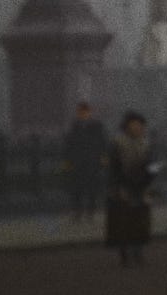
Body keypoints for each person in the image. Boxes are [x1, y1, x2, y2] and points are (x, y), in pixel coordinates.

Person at [105, 110, 156, 268]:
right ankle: (124, 254)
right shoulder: (118, 143)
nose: (137, 128)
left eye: (139, 125)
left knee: (140, 221)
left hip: (141, 186)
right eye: (133, 125)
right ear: (127, 126)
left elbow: (153, 165)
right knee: (123, 221)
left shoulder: (146, 143)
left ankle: (138, 251)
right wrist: (117, 187)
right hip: (123, 186)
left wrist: (149, 182)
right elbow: (113, 168)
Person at [61, 100, 108, 223]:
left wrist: (103, 157)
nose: (82, 114)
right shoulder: (75, 125)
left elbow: (102, 142)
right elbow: (69, 144)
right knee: (77, 189)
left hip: (92, 162)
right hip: (77, 162)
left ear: (89, 112)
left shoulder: (96, 125)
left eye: (84, 112)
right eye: (80, 112)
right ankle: (77, 213)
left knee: (92, 189)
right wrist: (67, 160)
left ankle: (90, 213)